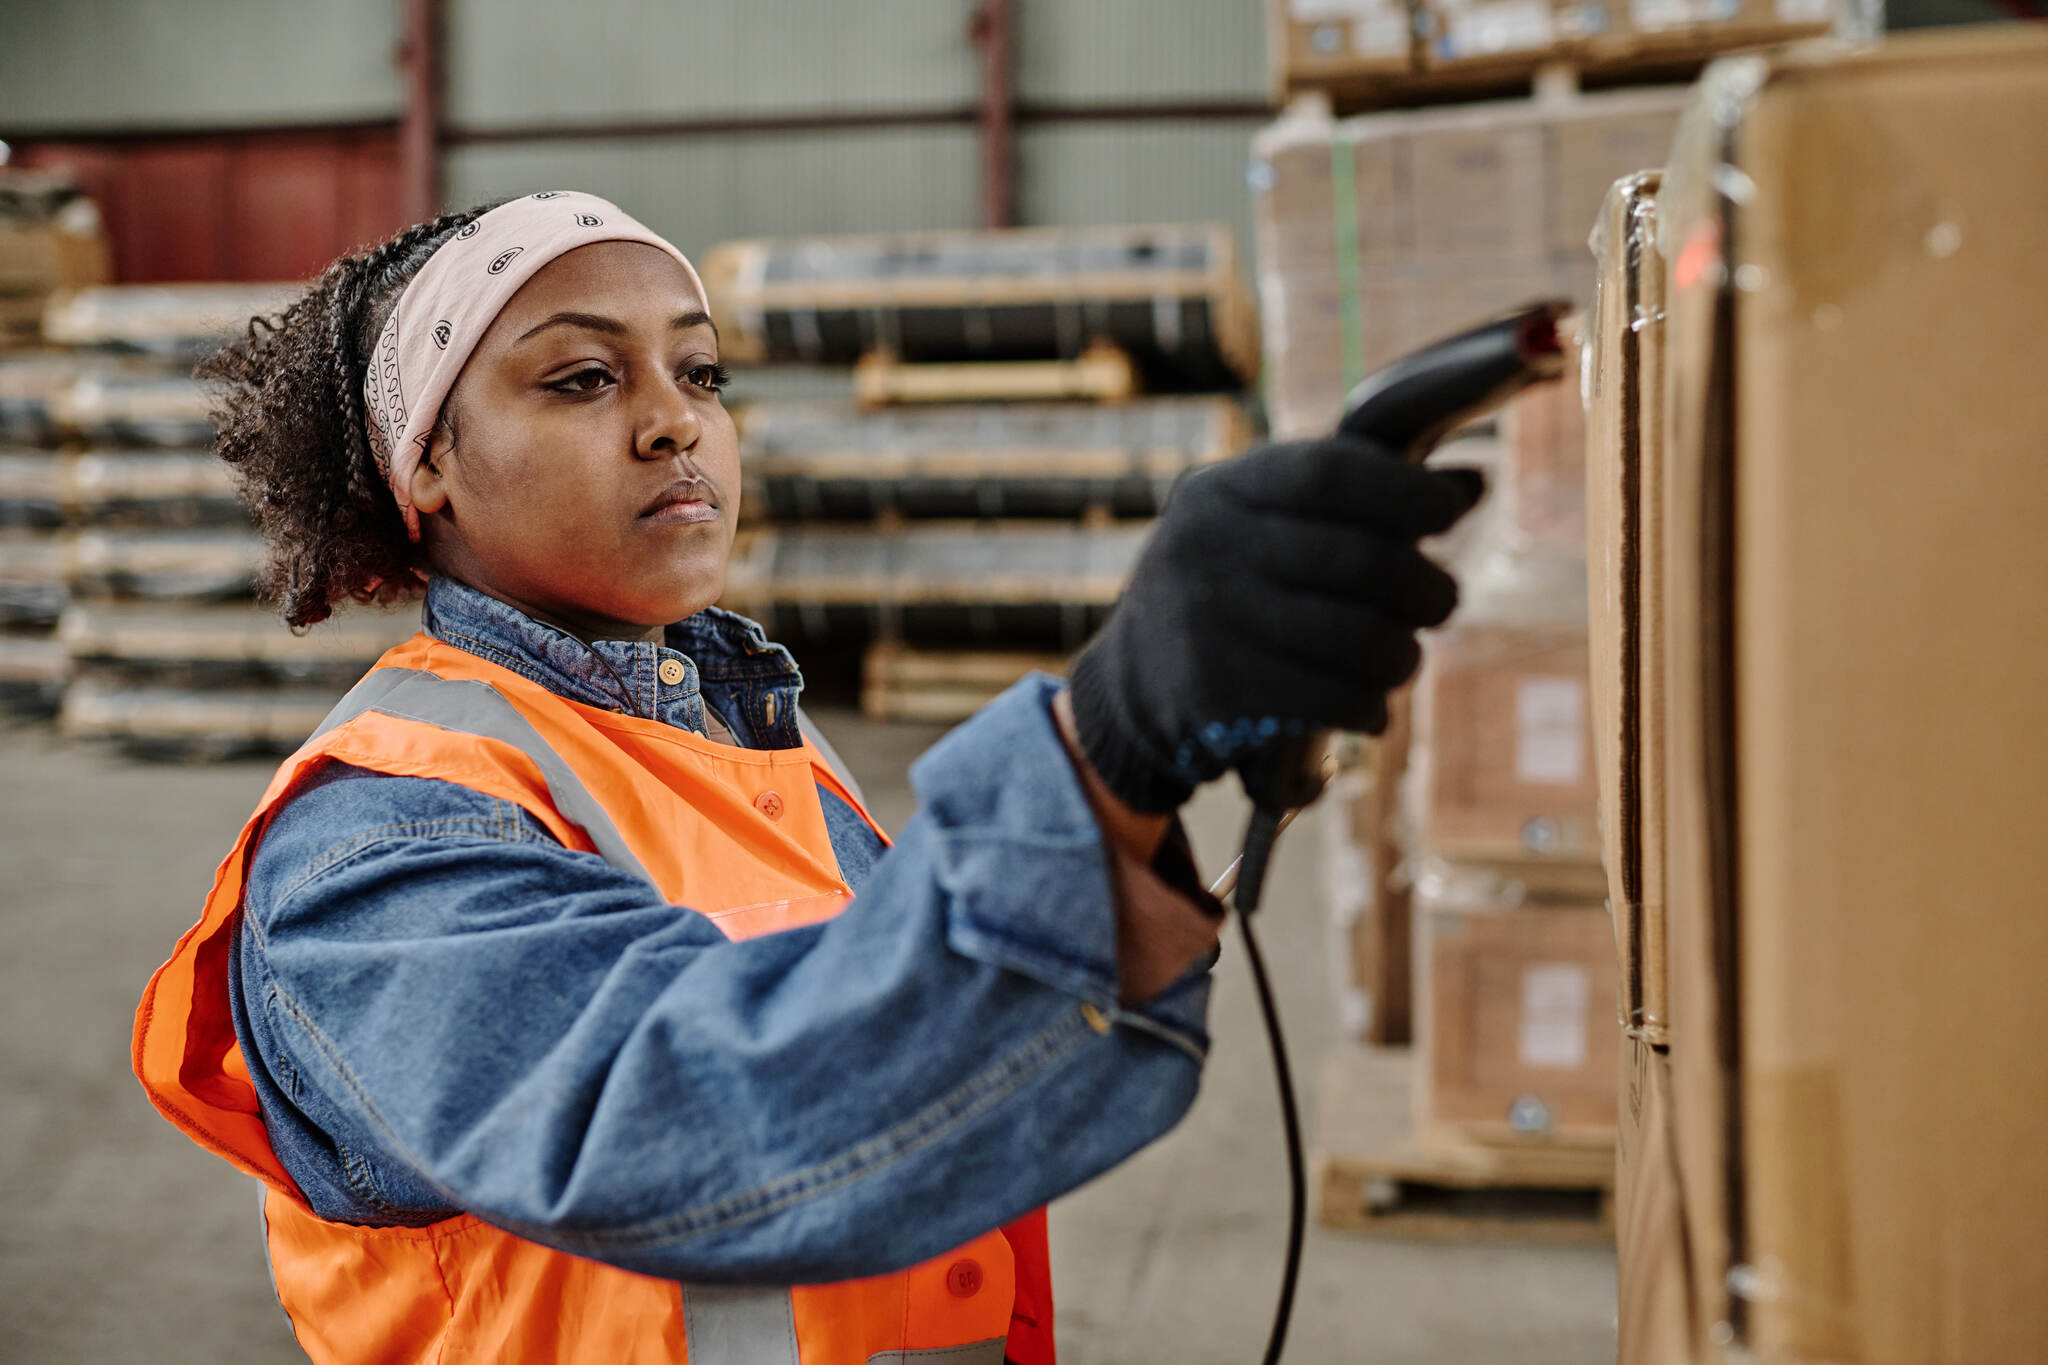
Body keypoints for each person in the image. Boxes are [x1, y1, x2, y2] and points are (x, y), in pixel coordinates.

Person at [134, 192, 1480, 1365]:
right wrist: (1098, 749)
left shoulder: (748, 730)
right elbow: (681, 1108)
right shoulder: (373, 837)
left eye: (701, 373)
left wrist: (1135, 804)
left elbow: (908, 1040)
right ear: (425, 459)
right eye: (582, 381)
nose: (675, 426)